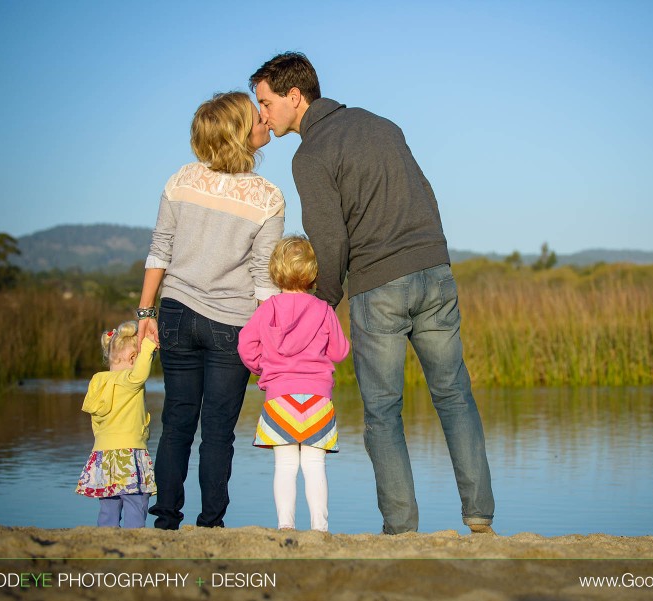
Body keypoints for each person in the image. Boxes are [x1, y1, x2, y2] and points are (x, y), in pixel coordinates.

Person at [249, 52, 495, 535]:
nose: (262, 114)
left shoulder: (311, 155)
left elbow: (330, 241)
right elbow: (426, 192)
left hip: (379, 285)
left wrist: (318, 307)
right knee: (455, 396)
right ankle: (480, 515)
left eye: (265, 102)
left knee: (383, 412)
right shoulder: (382, 125)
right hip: (433, 269)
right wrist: (435, 257)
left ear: (294, 97)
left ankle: (402, 530)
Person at [137, 91, 285, 530]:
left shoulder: (181, 180)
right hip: (233, 323)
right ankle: (210, 525)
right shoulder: (268, 197)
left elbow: (159, 250)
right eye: (255, 116)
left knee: (177, 421)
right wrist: (268, 341)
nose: (264, 119)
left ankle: (165, 520)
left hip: (176, 313)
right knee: (218, 431)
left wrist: (145, 315)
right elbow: (264, 278)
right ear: (241, 133)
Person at [237, 235, 350, 532]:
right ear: (312, 273)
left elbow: (245, 345)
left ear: (276, 271)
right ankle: (319, 528)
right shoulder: (323, 310)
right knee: (315, 467)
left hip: (279, 399)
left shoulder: (268, 309)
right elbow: (340, 351)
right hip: (317, 400)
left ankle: (285, 525)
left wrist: (264, 367)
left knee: (285, 467)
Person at [76, 321, 157, 528]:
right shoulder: (129, 380)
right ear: (133, 358)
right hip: (129, 452)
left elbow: (96, 422)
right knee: (136, 501)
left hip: (103, 454)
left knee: (109, 504)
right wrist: (148, 345)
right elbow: (139, 374)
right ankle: (134, 540)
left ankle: (106, 536)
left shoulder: (97, 382)